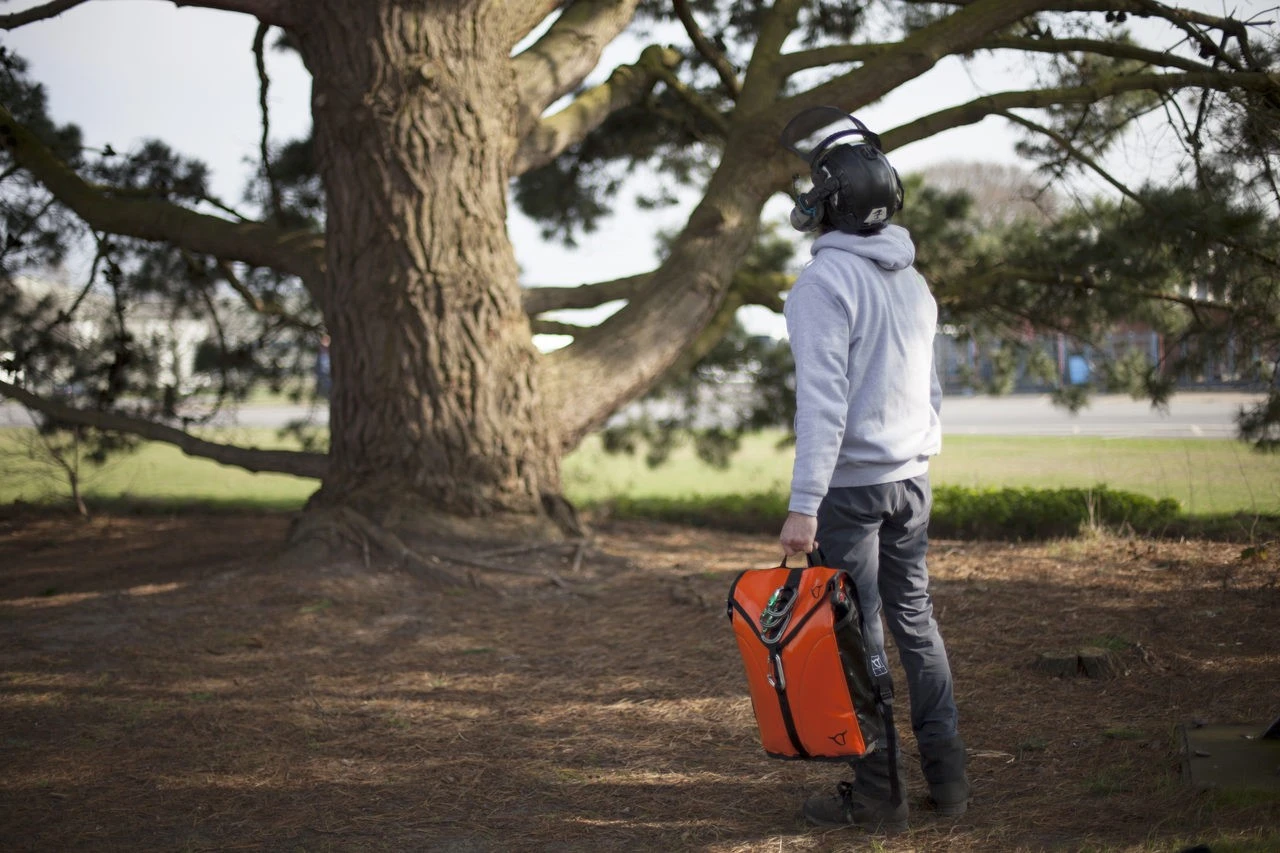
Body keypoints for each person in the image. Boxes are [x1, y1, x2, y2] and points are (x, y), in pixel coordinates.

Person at [776, 107, 969, 831]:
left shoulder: (823, 286)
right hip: (911, 480)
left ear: (827, 203)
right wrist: (918, 453)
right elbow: (930, 387)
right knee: (916, 623)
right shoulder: (912, 281)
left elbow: (823, 405)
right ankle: (950, 781)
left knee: (860, 636)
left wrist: (804, 504)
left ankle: (880, 795)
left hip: (851, 491)